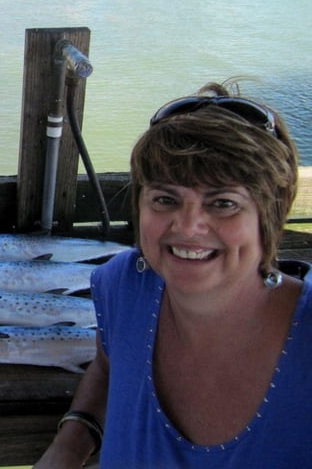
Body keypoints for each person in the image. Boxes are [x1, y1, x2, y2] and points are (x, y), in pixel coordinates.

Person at [34, 82, 312, 468]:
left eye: (223, 203)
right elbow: (110, 366)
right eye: (166, 199)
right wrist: (69, 445)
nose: (189, 226)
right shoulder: (123, 286)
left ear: (269, 217)